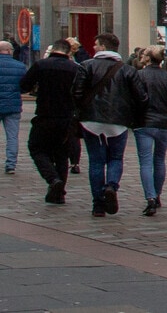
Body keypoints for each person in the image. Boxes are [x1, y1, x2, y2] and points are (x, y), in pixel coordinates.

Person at [72, 32, 138, 217]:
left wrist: (81, 109)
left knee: (96, 161)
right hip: (118, 121)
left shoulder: (86, 66)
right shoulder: (127, 70)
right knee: (116, 158)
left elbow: (76, 93)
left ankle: (98, 205)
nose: (93, 47)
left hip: (90, 120)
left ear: (103, 47)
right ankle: (111, 186)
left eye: (96, 44)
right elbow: (141, 97)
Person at [128, 46, 167, 218]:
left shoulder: (138, 76)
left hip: (144, 123)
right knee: (159, 160)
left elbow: (130, 99)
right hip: (164, 124)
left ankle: (150, 197)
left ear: (147, 58)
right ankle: (158, 194)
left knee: (146, 162)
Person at [21, 42, 81, 204]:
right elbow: (81, 93)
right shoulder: (75, 68)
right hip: (66, 118)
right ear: (68, 52)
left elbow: (24, 85)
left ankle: (53, 179)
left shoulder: (41, 65)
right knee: (61, 154)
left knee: (37, 149)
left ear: (53, 49)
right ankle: (58, 194)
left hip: (45, 116)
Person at [0, 36, 24, 175]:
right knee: (12, 136)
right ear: (9, 51)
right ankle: (10, 165)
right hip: (13, 105)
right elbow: (24, 86)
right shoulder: (20, 66)